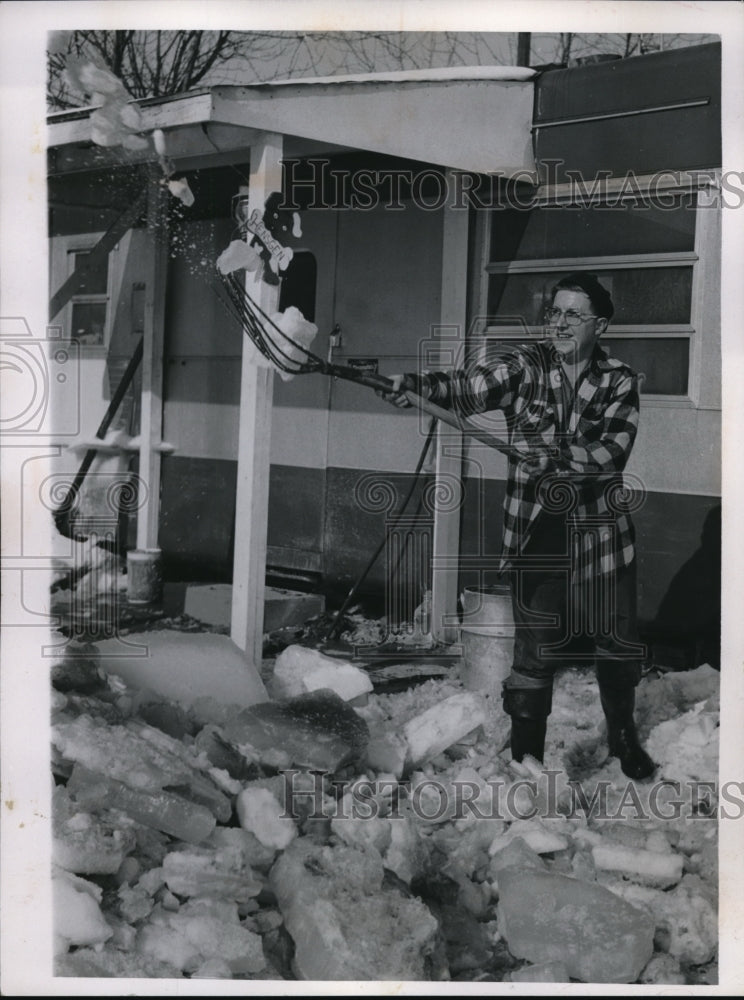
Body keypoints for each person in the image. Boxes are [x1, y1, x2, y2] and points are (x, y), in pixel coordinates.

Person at [379, 272, 655, 780]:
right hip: (535, 531)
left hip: (601, 534)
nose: (561, 323)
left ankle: (622, 737)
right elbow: (468, 387)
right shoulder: (525, 367)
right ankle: (526, 760)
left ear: (600, 324)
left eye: (574, 314)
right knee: (534, 652)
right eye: (555, 312)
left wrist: (555, 455)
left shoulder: (620, 379)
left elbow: (613, 451)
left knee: (615, 642)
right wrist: (416, 387)